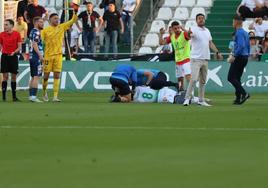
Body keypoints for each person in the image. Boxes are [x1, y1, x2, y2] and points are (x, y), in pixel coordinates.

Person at [183, 13, 223, 107]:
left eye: (202, 18)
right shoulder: (194, 29)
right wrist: (188, 33)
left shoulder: (207, 31)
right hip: (195, 59)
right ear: (196, 20)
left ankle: (201, 100)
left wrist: (217, 52)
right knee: (193, 79)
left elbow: (210, 43)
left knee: (203, 81)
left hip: (205, 59)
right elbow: (190, 35)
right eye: (199, 18)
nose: (201, 20)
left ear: (204, 20)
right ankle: (187, 99)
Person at [41, 6, 79, 102]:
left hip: (58, 55)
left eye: (58, 18)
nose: (57, 20)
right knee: (45, 76)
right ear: (50, 20)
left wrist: (75, 10)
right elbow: (40, 42)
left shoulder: (61, 27)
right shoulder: (45, 31)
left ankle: (55, 96)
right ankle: (44, 92)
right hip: (48, 56)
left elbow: (73, 20)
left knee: (57, 75)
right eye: (55, 19)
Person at [160, 21, 191, 91]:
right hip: (178, 61)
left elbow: (189, 36)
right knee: (180, 78)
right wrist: (161, 34)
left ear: (180, 27)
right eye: (175, 28)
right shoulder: (172, 37)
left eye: (178, 28)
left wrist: (185, 29)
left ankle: (190, 92)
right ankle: (181, 90)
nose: (177, 30)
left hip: (186, 59)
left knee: (188, 76)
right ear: (173, 29)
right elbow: (161, 43)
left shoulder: (184, 34)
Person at [227, 15, 250, 105]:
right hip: (244, 57)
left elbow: (241, 45)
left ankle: (244, 93)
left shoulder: (239, 32)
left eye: (233, 21)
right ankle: (238, 98)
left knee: (231, 77)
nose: (232, 23)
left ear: (236, 22)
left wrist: (234, 56)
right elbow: (247, 46)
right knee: (237, 78)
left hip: (239, 57)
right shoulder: (245, 32)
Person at [0, 19, 22, 102]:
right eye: (4, 24)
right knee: (5, 77)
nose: (4, 26)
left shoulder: (17, 34)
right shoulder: (1, 34)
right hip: (5, 57)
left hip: (13, 56)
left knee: (13, 77)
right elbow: (1, 46)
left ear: (11, 26)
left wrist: (14, 52)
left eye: (6, 24)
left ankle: (14, 97)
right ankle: (4, 97)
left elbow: (19, 47)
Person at [28, 17, 44, 102]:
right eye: (41, 22)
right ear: (36, 23)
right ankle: (34, 96)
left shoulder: (32, 31)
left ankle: (31, 96)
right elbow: (34, 44)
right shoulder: (36, 32)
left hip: (31, 56)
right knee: (36, 76)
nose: (42, 23)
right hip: (36, 57)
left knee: (33, 76)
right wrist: (40, 55)